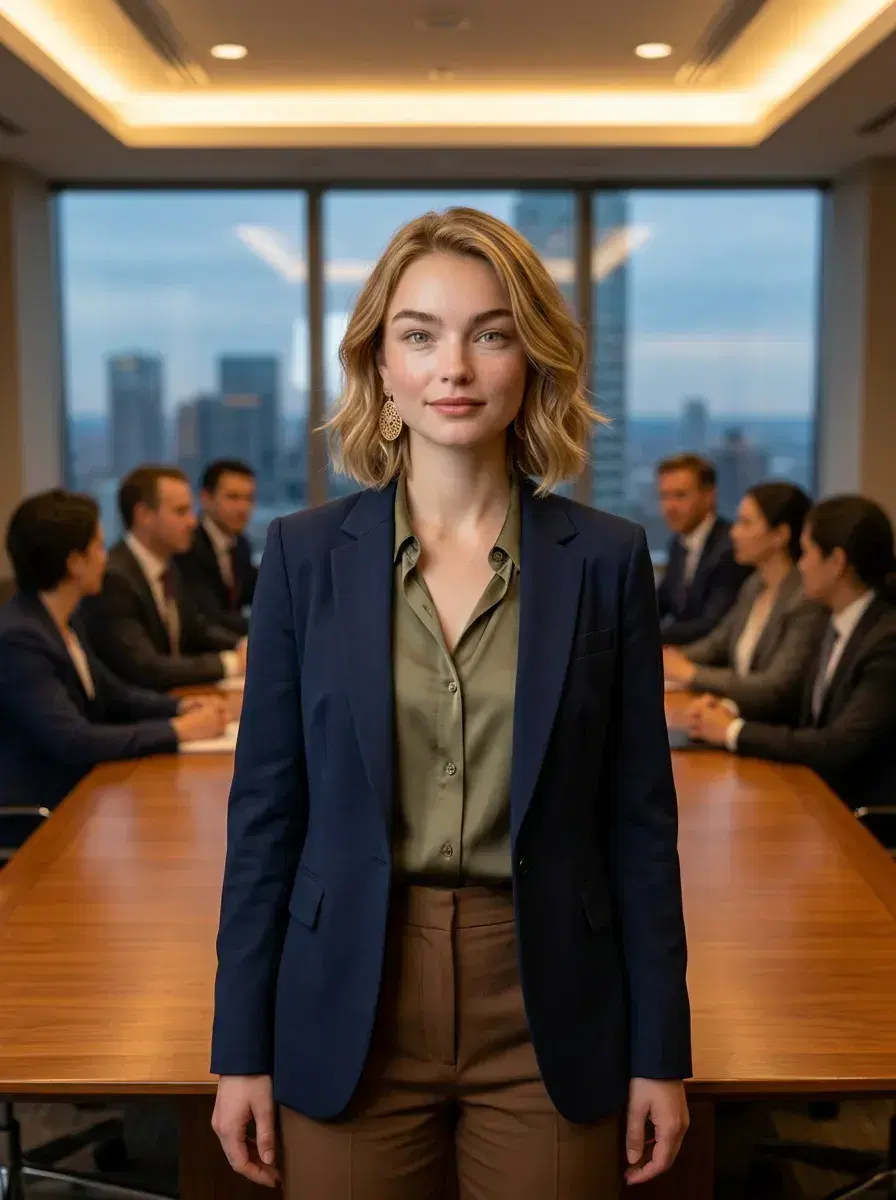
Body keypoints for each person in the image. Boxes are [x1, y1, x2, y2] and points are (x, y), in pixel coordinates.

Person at [211, 208, 691, 1200]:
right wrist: (238, 1049)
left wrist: (660, 1052)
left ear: (532, 360)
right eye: (420, 335)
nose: (454, 367)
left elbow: (639, 825)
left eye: (491, 333)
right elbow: (264, 819)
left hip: (549, 996)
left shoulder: (607, 559)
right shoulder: (302, 555)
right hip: (349, 989)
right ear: (380, 365)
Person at [0, 490, 229, 814]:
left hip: (83, 796)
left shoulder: (65, 619)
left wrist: (179, 706)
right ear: (74, 563)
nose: (105, 558)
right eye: (98, 546)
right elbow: (73, 740)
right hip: (43, 815)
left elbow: (113, 695)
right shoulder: (20, 639)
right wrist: (178, 730)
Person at [688, 495, 896, 812]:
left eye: (807, 552)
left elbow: (838, 745)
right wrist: (726, 709)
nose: (800, 564)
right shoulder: (837, 620)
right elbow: (795, 703)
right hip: (819, 796)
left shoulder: (885, 641)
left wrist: (733, 732)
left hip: (857, 815)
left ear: (837, 562)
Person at [664, 482, 827, 719]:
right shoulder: (755, 584)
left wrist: (690, 673)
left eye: (746, 523)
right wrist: (670, 660)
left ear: (780, 535)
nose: (734, 532)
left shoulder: (805, 599)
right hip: (736, 714)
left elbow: (776, 688)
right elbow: (718, 642)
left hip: (768, 726)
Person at [81, 466, 247, 692]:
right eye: (180, 512)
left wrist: (242, 645)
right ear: (144, 515)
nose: (192, 522)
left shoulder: (169, 566)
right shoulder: (114, 578)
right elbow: (146, 668)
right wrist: (231, 663)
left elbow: (195, 630)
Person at [656, 454, 752, 645]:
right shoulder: (678, 543)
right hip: (682, 651)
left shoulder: (731, 547)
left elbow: (712, 624)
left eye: (680, 495)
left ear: (709, 496)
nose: (669, 507)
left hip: (710, 655)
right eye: (664, 496)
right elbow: (660, 603)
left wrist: (646, 637)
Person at [176, 459, 258, 638]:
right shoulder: (186, 545)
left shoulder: (241, 544)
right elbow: (208, 616)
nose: (243, 508)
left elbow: (255, 591)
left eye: (249, 498)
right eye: (233, 497)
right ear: (206, 498)